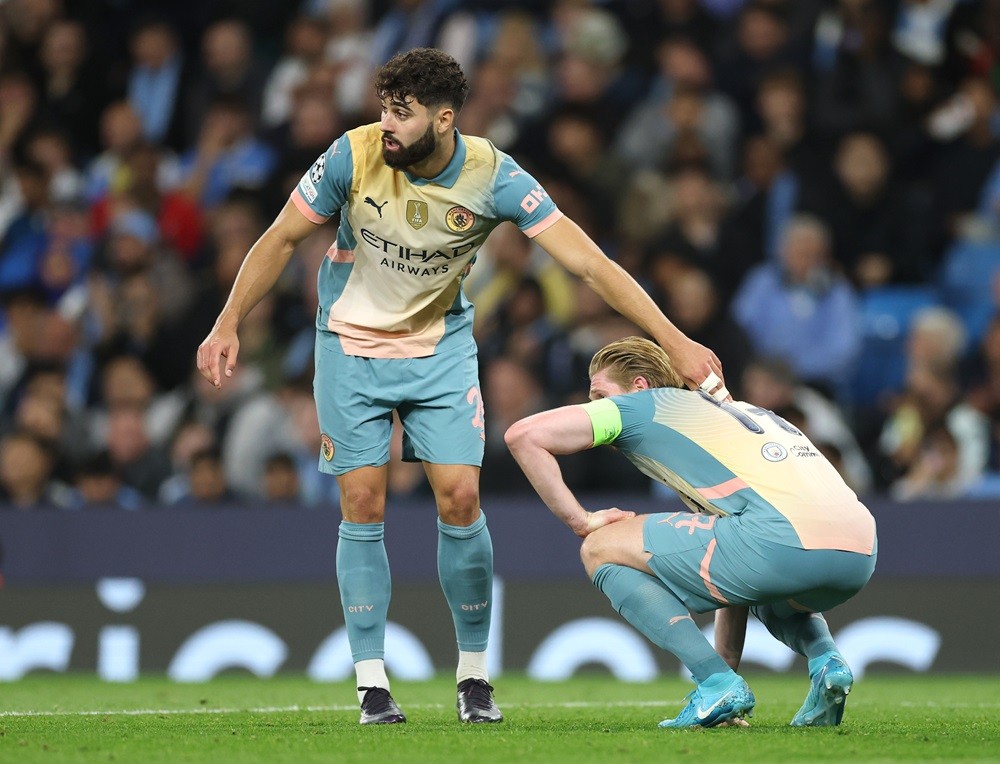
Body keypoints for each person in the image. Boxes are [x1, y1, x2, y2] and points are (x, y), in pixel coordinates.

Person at [196, 48, 726, 726]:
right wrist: (228, 319)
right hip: (349, 347)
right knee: (361, 501)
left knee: (460, 495)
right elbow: (277, 239)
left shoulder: (493, 176)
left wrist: (675, 339)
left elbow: (589, 264)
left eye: (403, 114)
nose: (386, 125)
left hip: (438, 349)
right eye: (384, 109)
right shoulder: (350, 156)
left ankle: (474, 678)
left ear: (443, 119)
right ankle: (372, 685)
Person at [505, 337, 877, 729]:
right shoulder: (743, 414)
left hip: (780, 543)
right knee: (764, 577)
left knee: (599, 547)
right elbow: (738, 586)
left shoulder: (642, 407)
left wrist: (580, 521)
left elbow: (523, 436)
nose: (593, 405)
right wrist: (726, 676)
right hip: (860, 548)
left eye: (599, 394)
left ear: (639, 386)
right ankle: (827, 662)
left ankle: (715, 683)